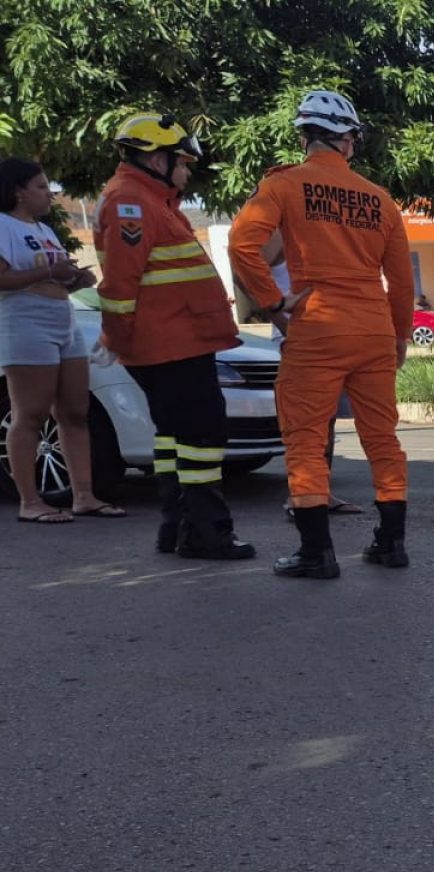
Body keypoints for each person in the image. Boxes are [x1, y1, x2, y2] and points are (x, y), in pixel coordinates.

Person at [228, 89, 412, 580]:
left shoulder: (285, 184)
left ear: (305, 137)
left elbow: (242, 245)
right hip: (373, 330)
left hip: (317, 327)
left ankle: (317, 553)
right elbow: (401, 283)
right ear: (347, 141)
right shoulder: (381, 199)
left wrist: (272, 301)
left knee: (306, 438)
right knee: (382, 437)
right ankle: (391, 542)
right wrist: (400, 338)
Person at [95, 116, 254, 557]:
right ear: (154, 159)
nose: (186, 172)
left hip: (175, 338)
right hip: (170, 341)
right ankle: (206, 532)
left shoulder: (149, 199)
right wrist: (115, 337)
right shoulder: (132, 202)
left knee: (173, 436)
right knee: (203, 434)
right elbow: (120, 283)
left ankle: (179, 525)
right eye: (181, 163)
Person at [0, 158, 119, 524]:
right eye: (40, 187)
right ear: (18, 192)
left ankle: (84, 496)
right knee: (31, 413)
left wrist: (75, 279)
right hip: (25, 322)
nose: (49, 194)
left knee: (74, 411)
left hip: (63, 319)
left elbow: (53, 276)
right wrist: (51, 270)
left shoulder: (45, 229)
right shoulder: (3, 225)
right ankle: (30, 501)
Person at [257, 231, 361, 518]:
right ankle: (301, 497)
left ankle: (320, 493)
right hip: (299, 337)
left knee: (327, 420)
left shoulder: (318, 226)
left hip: (329, 335)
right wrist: (282, 320)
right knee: (307, 421)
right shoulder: (280, 233)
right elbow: (246, 274)